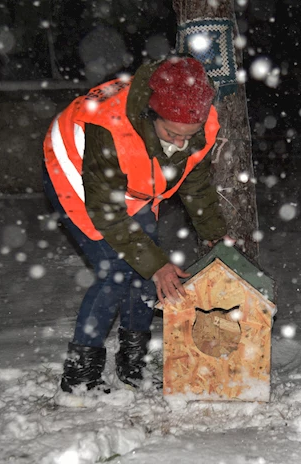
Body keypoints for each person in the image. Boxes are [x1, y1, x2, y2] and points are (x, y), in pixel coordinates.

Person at [42, 56, 228, 393]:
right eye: (172, 133)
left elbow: (195, 183)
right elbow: (107, 212)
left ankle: (133, 366)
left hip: (130, 182)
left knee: (145, 270)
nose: (181, 144)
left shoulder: (203, 123)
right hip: (74, 168)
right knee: (116, 268)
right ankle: (80, 378)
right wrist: (157, 265)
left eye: (189, 135)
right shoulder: (110, 127)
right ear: (151, 115)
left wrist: (215, 235)